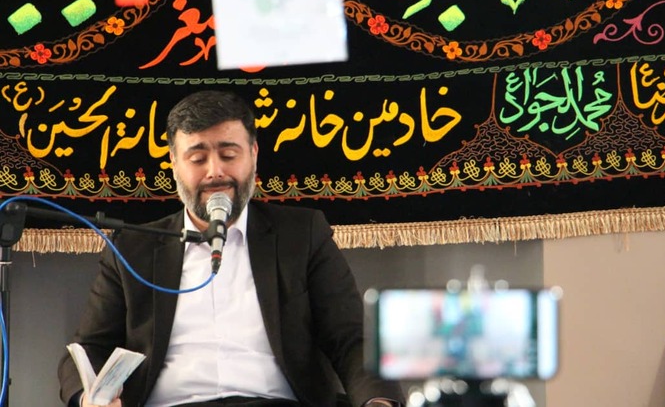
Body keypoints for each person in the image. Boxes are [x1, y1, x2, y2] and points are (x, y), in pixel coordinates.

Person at [57, 90, 404, 407]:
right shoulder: (133, 247)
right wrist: (89, 399)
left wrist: (378, 402)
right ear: (174, 163)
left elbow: (353, 339)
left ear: (253, 155)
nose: (215, 172)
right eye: (197, 158)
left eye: (228, 154)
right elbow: (88, 349)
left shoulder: (302, 234)